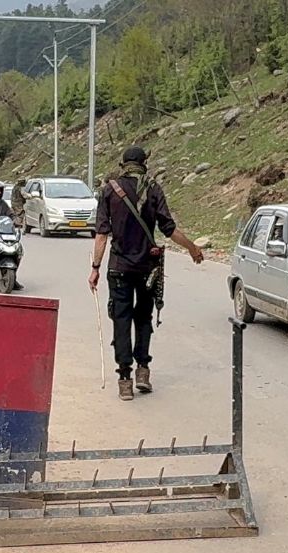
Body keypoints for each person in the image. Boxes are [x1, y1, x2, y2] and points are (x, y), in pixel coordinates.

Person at [88, 147, 204, 401]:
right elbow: (169, 229)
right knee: (143, 318)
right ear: (144, 163)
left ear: (123, 163)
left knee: (121, 319)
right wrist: (192, 248)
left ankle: (124, 380)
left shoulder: (110, 190)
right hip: (147, 268)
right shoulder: (153, 188)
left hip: (119, 267)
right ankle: (143, 371)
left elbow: (101, 234)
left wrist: (95, 267)